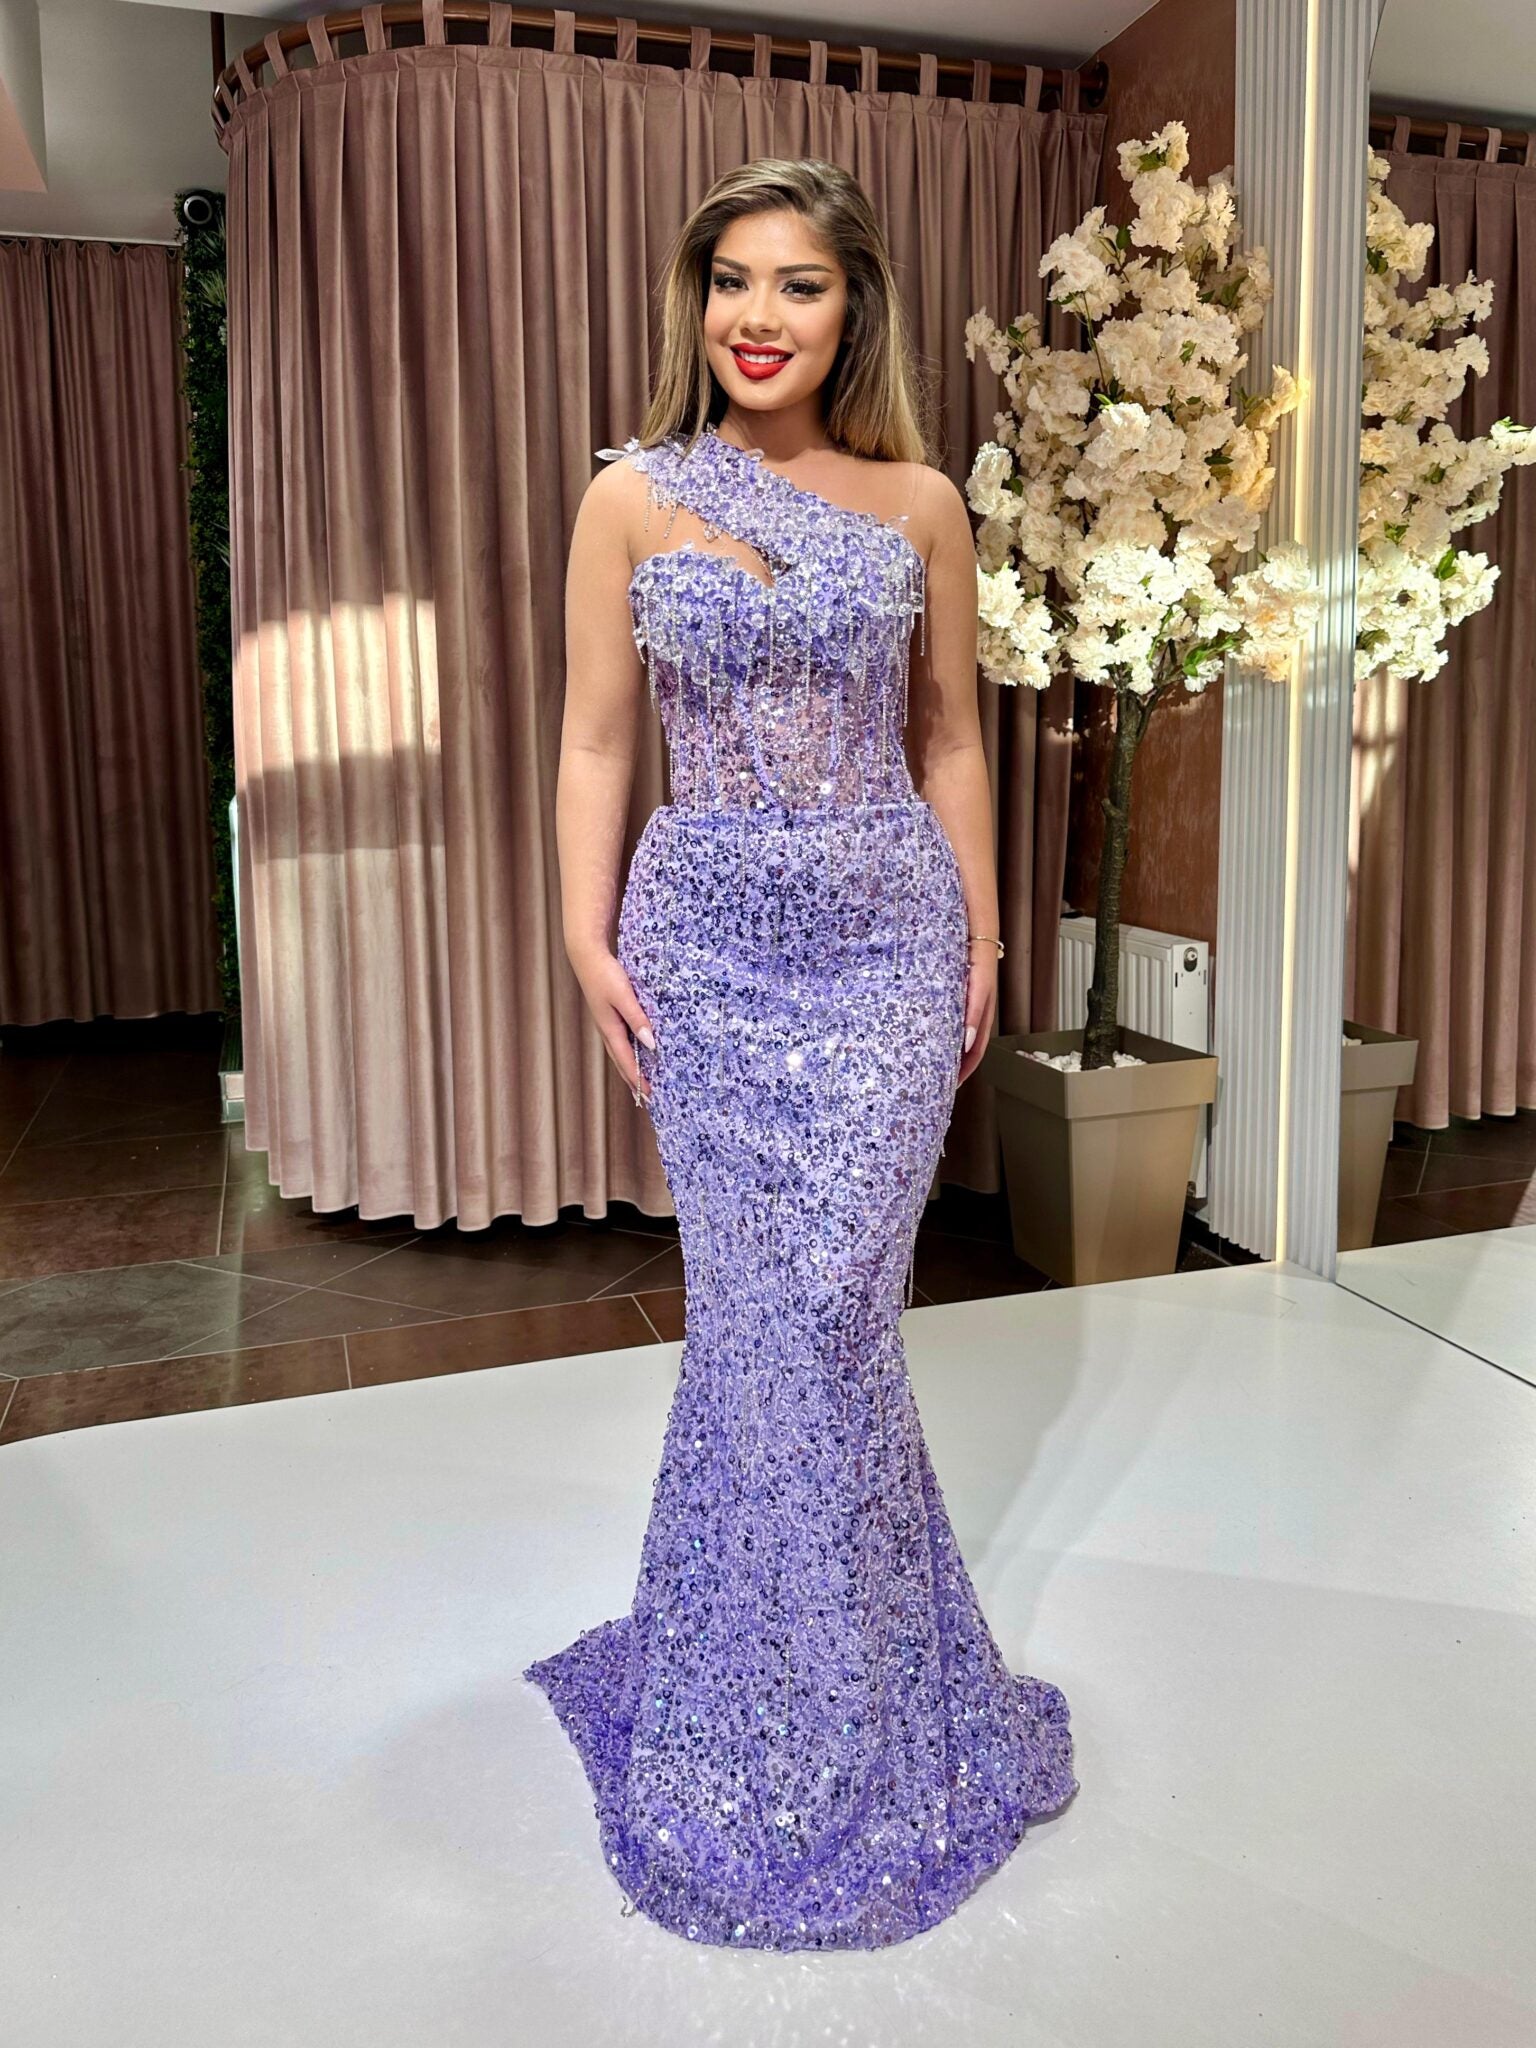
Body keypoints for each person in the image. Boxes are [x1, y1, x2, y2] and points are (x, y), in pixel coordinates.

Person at [523, 156, 1077, 1952]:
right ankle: (743, 1702)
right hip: (705, 951)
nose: (758, 317)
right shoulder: (629, 495)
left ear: (855, 311)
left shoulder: (921, 502)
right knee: (763, 1323)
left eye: (800, 284)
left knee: (835, 1312)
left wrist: (983, 936)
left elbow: (953, 738)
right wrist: (586, 934)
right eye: (732, 281)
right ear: (698, 301)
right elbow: (597, 742)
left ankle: (855, 1706)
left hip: (889, 945)